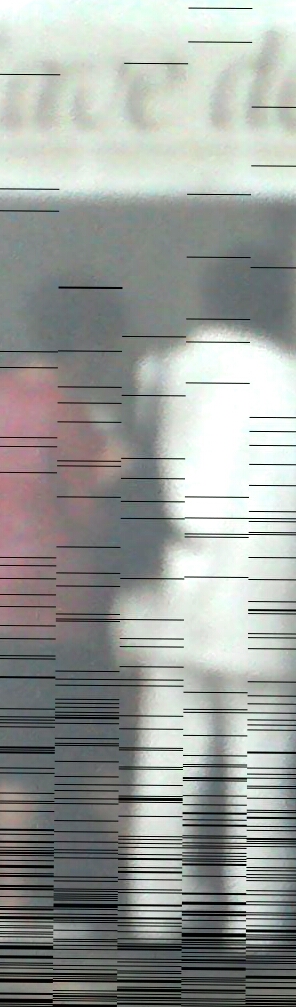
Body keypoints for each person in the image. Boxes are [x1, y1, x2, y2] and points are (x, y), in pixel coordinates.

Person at [120, 250, 296, 950]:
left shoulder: (161, 370)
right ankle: (257, 920)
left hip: (180, 569)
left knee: (168, 757)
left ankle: (153, 912)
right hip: (269, 572)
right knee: (264, 759)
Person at [0, 284, 121, 926]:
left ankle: (12, 907)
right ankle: (133, 902)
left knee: (13, 765)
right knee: (97, 757)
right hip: (58, 608)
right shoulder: (68, 411)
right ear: (87, 340)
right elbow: (90, 508)